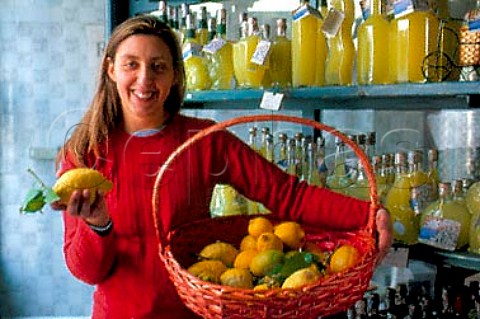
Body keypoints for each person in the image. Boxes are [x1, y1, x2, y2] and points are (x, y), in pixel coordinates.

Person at [52, 15, 393, 319]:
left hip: (198, 312)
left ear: (174, 76)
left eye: (158, 67)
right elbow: (87, 272)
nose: (144, 80)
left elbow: (287, 194)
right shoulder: (84, 154)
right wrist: (97, 225)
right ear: (110, 69)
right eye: (131, 64)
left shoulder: (203, 139)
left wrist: (369, 214)